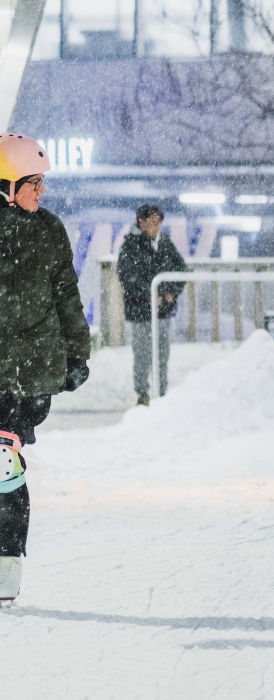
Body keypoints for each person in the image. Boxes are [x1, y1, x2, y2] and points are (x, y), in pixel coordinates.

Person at [0, 133, 92, 608]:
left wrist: (78, 355)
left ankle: (6, 560)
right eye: (32, 182)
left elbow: (66, 297)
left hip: (28, 374)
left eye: (41, 182)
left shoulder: (49, 229)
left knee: (3, 465)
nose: (41, 191)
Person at [117, 204, 188, 405]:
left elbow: (181, 269)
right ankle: (143, 393)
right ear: (142, 223)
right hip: (141, 312)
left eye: (159, 223)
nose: (157, 227)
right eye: (153, 222)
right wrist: (150, 294)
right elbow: (127, 277)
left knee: (162, 354)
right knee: (142, 354)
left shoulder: (165, 243)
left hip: (163, 312)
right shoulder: (130, 245)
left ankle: (161, 391)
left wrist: (170, 292)